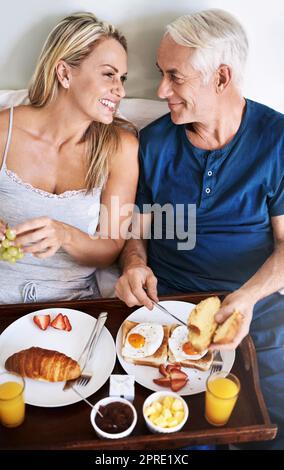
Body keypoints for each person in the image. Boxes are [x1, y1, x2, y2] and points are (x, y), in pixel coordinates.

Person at [115, 9, 284, 449]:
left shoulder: (277, 139)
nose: (160, 91)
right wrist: (133, 264)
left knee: (275, 425)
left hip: (258, 308)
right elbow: (136, 231)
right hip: (171, 307)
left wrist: (246, 299)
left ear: (221, 78)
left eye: (175, 76)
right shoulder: (152, 142)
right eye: (161, 74)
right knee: (181, 435)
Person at [0, 12, 138, 303]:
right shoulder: (4, 131)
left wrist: (64, 235)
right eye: (108, 74)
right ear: (64, 73)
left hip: (71, 307)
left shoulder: (120, 149)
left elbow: (111, 246)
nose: (121, 90)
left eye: (122, 78)